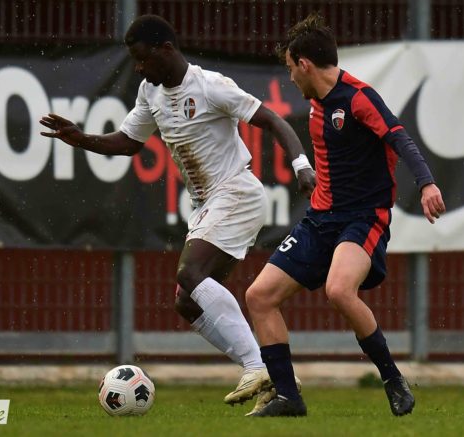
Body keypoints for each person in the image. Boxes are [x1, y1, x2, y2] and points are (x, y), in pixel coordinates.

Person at [39, 15, 315, 414]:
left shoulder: (210, 86)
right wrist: (81, 138)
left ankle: (256, 366)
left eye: (143, 58)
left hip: (236, 192)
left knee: (190, 273)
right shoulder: (150, 91)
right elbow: (128, 142)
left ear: (166, 49)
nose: (139, 67)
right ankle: (278, 379)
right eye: (134, 60)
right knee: (187, 302)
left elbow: (271, 120)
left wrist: (301, 164)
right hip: (206, 204)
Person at [245, 13, 446, 417]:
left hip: (363, 218)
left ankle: (392, 379)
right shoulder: (317, 106)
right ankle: (288, 397)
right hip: (320, 220)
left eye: (291, 69)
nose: (290, 78)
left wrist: (426, 183)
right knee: (259, 296)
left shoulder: (359, 98)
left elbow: (400, 138)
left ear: (304, 64)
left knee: (339, 290)